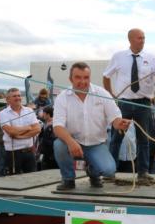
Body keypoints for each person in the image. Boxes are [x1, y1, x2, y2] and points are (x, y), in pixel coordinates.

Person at [53, 62, 132, 190]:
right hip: (73, 142)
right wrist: (70, 142)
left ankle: (93, 172)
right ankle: (68, 179)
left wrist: (120, 124)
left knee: (109, 171)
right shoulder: (62, 97)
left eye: (86, 77)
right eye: (78, 77)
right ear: (70, 79)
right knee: (59, 145)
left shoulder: (102, 93)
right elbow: (57, 127)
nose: (82, 81)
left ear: (90, 78)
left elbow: (115, 118)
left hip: (96, 143)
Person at [103, 28, 155, 181]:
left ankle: (143, 173)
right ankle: (110, 171)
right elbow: (106, 76)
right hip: (124, 103)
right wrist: (112, 96)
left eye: (144, 38)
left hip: (144, 103)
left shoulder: (152, 58)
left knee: (144, 139)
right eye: (139, 38)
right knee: (116, 138)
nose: (142, 40)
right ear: (130, 40)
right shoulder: (118, 56)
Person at [0, 88, 41, 174]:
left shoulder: (29, 110)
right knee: (14, 181)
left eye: (19, 95)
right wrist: (28, 127)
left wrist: (20, 136)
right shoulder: (3, 113)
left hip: (29, 151)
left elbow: (37, 129)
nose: (18, 98)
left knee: (32, 179)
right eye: (14, 96)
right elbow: (11, 131)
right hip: (13, 153)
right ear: (8, 99)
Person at [38, 105, 58, 170]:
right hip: (46, 155)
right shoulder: (44, 124)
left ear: (47, 114)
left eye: (43, 113)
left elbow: (52, 141)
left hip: (51, 156)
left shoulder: (54, 126)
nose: (42, 115)